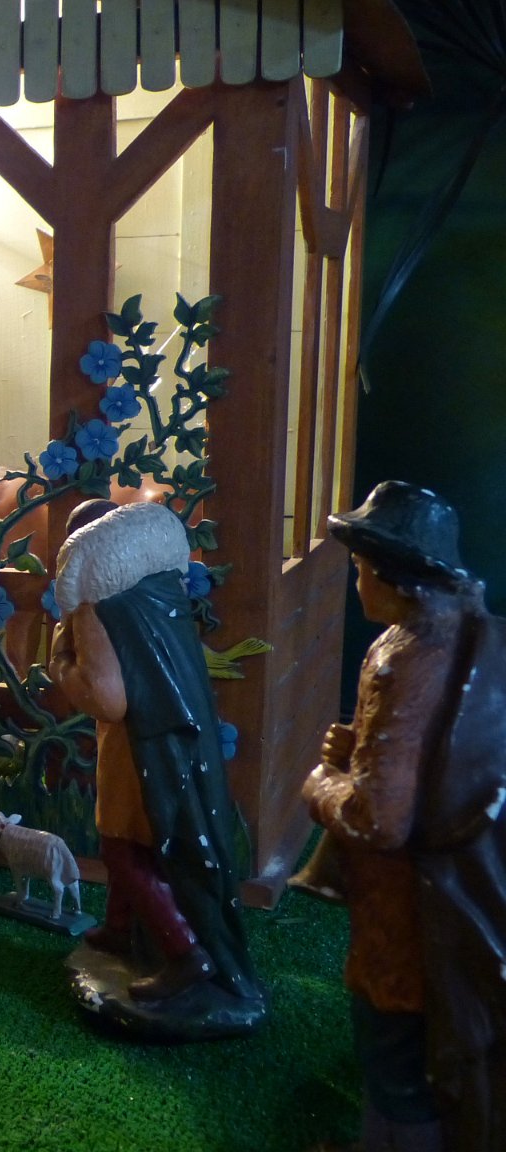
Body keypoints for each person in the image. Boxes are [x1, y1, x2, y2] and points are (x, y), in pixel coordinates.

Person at [301, 481, 506, 1152]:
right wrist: (360, 749)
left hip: (410, 904)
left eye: (362, 569)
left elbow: (378, 819)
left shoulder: (406, 659)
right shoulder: (476, 637)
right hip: (465, 887)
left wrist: (322, 784)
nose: (358, 583)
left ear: (397, 579)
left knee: (396, 1058)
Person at [47, 501, 259, 1005]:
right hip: (177, 738)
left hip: (138, 746)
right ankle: (123, 927)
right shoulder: (161, 589)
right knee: (140, 843)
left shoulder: (97, 608)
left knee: (122, 847)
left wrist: (60, 664)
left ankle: (184, 952)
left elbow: (106, 698)